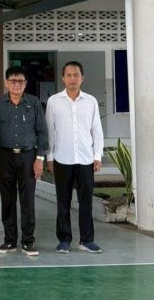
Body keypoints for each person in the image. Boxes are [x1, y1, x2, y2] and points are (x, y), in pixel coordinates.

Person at [45, 61, 104, 254]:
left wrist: (97, 155)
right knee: (63, 201)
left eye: (76, 75)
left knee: (86, 201)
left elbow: (97, 130)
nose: (72, 78)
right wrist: (50, 157)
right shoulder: (54, 101)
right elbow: (50, 131)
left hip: (86, 159)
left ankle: (86, 240)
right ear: (63, 78)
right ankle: (64, 240)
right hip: (62, 158)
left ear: (82, 78)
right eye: (69, 75)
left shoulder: (91, 101)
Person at [0, 65, 48, 256]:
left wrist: (39, 158)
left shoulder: (33, 103)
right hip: (5, 156)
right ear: (6, 83)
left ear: (25, 84)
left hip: (28, 156)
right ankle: (9, 241)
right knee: (7, 200)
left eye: (20, 81)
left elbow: (42, 131)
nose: (17, 84)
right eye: (13, 81)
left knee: (27, 200)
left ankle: (28, 242)